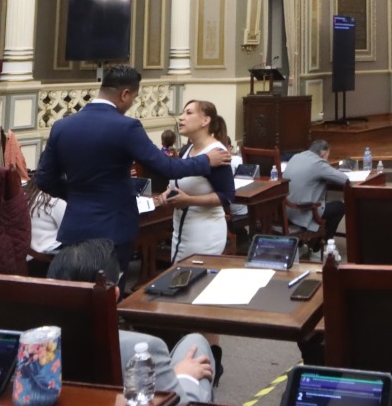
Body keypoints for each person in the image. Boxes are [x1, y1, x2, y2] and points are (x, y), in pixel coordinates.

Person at [32, 65, 231, 270]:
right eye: (134, 98)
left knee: (77, 293)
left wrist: (76, 195)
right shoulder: (126, 127)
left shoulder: (62, 126)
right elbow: (167, 167)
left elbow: (44, 179)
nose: (131, 104)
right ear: (125, 94)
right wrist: (206, 160)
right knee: (109, 295)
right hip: (113, 231)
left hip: (75, 228)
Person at [47, 239, 215, 406]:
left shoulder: (37, 345)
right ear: (115, 293)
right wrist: (182, 376)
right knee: (196, 343)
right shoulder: (144, 348)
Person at [162, 99, 236, 260]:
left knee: (193, 281)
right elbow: (178, 182)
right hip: (182, 230)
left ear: (205, 120)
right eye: (182, 113)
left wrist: (190, 200)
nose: (181, 118)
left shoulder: (217, 154)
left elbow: (227, 195)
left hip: (205, 234)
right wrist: (167, 193)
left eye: (188, 113)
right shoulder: (186, 149)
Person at [284, 140, 347, 241]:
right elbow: (345, 180)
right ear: (323, 154)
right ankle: (325, 242)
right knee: (340, 207)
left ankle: (318, 242)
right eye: (327, 157)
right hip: (304, 211)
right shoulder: (318, 163)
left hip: (287, 210)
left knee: (327, 203)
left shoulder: (296, 156)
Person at [25, 180, 67, 256]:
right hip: (51, 256)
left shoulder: (27, 195)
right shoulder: (56, 201)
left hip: (29, 254)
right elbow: (69, 231)